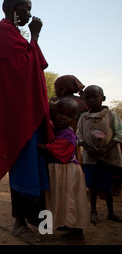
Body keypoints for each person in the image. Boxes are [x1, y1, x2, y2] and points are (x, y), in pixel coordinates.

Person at [0, 0, 54, 244]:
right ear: (14, 9)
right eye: (27, 8)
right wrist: (35, 37)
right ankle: (19, 223)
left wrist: (31, 40)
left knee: (34, 164)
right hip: (17, 115)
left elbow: (36, 65)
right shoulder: (2, 32)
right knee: (23, 164)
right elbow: (27, 67)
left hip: (27, 112)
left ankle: (38, 220)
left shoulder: (12, 34)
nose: (30, 14)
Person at [38, 98, 89, 239]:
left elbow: (54, 150)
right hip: (60, 172)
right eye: (59, 113)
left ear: (73, 119)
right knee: (61, 199)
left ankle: (77, 232)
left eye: (68, 116)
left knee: (71, 200)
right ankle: (65, 224)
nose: (63, 118)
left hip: (67, 172)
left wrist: (35, 145)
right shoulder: (56, 130)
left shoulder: (68, 133)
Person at [77, 85, 122, 224]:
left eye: (95, 97)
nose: (91, 100)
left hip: (108, 157)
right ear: (84, 100)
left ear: (103, 98)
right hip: (90, 159)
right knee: (92, 186)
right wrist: (86, 147)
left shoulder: (111, 115)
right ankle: (93, 211)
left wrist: (106, 148)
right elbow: (78, 135)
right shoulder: (83, 117)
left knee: (107, 186)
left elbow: (119, 134)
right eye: (87, 98)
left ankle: (111, 212)